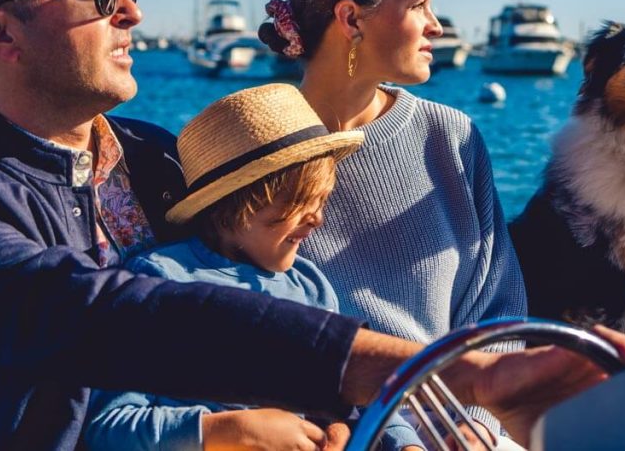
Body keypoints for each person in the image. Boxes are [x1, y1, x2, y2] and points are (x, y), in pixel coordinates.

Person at [0, 0, 625, 450]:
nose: (132, 10)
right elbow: (112, 317)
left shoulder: (156, 156)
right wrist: (429, 371)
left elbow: (263, 291)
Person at [259, 0, 528, 436]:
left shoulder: (452, 137)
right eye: (417, 3)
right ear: (351, 18)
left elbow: (497, 307)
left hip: (459, 429)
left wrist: (472, 425)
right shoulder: (252, 149)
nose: (437, 26)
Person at [84, 83, 422, 451]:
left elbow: (353, 400)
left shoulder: (310, 285)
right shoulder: (159, 281)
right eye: (299, 202)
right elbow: (110, 426)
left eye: (322, 201)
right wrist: (226, 430)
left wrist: (400, 442)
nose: (317, 220)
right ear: (235, 206)